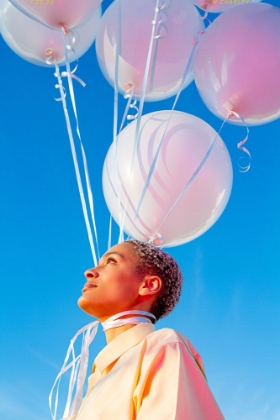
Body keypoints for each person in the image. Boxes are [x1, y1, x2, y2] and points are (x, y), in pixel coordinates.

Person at [55, 240, 224, 420]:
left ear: (149, 285)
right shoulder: (96, 379)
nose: (89, 272)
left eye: (111, 261)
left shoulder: (164, 347)